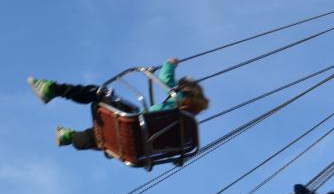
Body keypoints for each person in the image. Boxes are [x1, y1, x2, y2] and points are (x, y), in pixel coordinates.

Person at [28, 58, 208, 150]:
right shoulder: (185, 127)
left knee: (104, 93)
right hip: (137, 146)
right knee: (102, 137)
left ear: (185, 91)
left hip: (135, 126)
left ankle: (53, 89)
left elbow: (164, 78)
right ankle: (68, 137)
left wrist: (169, 63)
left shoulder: (177, 100)